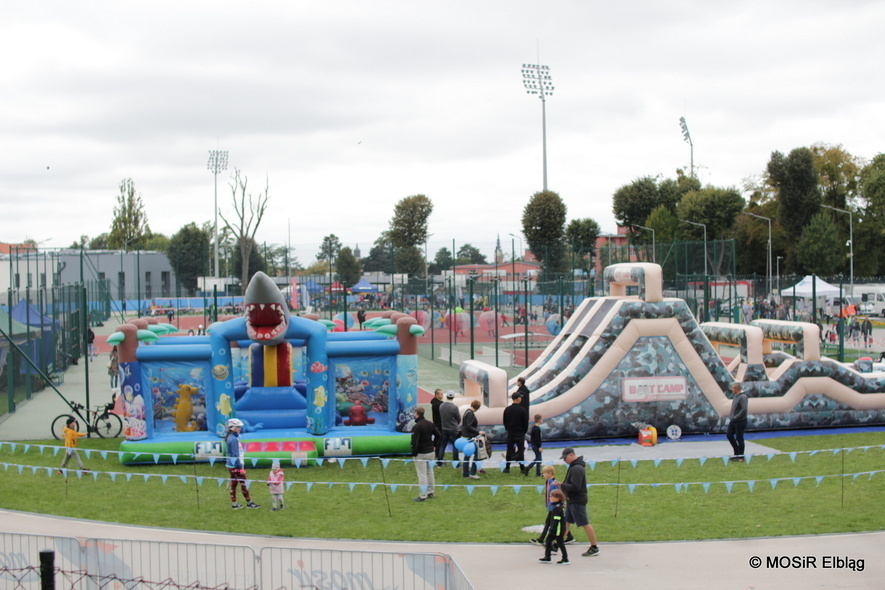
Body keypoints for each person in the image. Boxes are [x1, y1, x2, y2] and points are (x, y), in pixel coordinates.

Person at [560, 447, 600, 557]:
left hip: (577, 500)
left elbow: (575, 487)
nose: (564, 460)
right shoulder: (574, 466)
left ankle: (594, 546)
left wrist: (561, 485)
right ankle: (559, 542)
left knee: (585, 523)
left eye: (565, 458)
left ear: (572, 455)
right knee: (566, 522)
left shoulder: (577, 468)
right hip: (571, 500)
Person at [225, 418, 260, 509]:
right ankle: (249, 503)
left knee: (234, 484)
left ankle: (235, 504)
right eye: (238, 427)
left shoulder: (232, 437)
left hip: (231, 465)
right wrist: (240, 468)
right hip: (235, 465)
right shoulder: (233, 439)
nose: (240, 428)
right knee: (243, 484)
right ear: (233, 428)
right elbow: (235, 455)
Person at [410, 406, 440, 502]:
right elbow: (438, 435)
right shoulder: (430, 424)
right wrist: (434, 444)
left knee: (422, 474)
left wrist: (414, 452)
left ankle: (423, 495)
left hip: (421, 453)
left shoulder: (417, 426)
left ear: (417, 414)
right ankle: (430, 491)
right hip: (430, 451)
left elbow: (414, 441)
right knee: (430, 472)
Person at [530, 464, 561, 546]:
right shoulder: (549, 483)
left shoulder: (553, 484)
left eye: (544, 473)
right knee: (554, 523)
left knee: (549, 523)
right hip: (552, 507)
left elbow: (556, 496)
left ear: (550, 473)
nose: (543, 475)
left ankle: (541, 539)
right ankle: (569, 536)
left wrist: (553, 505)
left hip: (553, 507)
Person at [538, 489, 569, 565]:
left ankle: (565, 558)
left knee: (560, 543)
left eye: (551, 496)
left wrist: (552, 529)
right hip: (557, 528)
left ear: (557, 498)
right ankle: (547, 557)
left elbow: (556, 520)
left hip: (557, 529)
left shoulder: (557, 508)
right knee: (548, 541)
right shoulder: (559, 506)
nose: (549, 498)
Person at [502, 392, 529, 474]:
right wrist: (523, 431)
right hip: (520, 433)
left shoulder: (507, 409)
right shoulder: (522, 410)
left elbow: (505, 422)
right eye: (520, 398)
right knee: (521, 451)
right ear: (518, 399)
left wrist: (508, 429)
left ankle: (507, 468)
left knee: (509, 450)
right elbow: (525, 423)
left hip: (510, 432)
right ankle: (522, 468)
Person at [437, 392, 462, 467]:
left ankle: (439, 462)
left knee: (443, 445)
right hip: (453, 428)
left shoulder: (441, 406)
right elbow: (458, 418)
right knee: (455, 446)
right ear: (453, 398)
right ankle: (456, 463)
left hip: (444, 428)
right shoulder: (454, 407)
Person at [726, 382, 749, 462]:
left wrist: (736, 417)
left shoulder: (743, 397)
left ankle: (741, 456)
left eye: (732, 388)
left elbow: (744, 409)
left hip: (740, 421)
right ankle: (737, 453)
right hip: (734, 420)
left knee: (739, 438)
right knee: (729, 435)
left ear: (736, 389)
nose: (732, 390)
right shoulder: (736, 396)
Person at [460, 399, 483, 479]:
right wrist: (478, 432)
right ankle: (472, 473)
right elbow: (469, 426)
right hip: (469, 437)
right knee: (476, 454)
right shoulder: (471, 414)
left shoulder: (467, 412)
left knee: (467, 455)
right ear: (477, 408)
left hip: (465, 436)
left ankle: (465, 473)